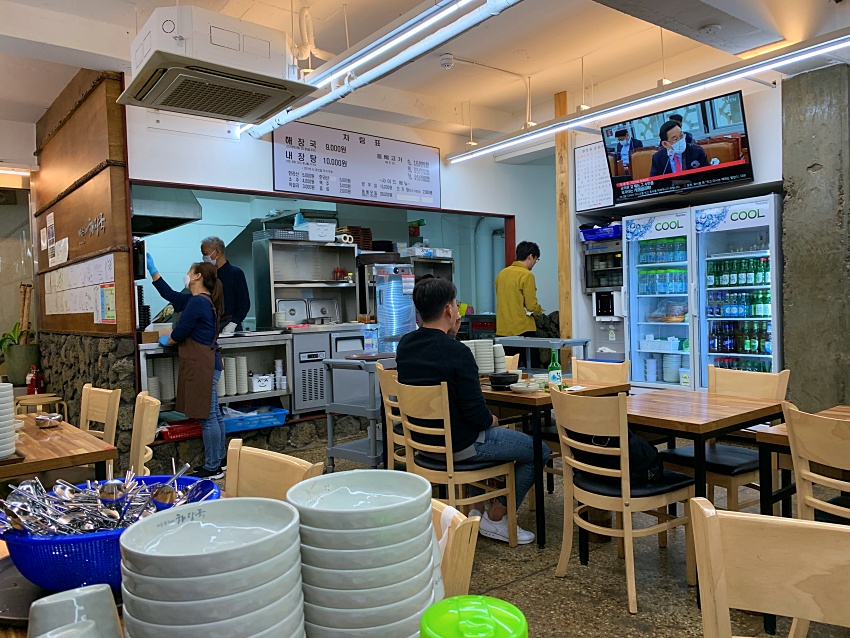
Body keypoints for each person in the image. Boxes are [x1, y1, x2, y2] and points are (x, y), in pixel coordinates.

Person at [396, 277, 550, 545]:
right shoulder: (457, 352)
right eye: (455, 304)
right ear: (449, 309)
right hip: (461, 447)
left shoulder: (405, 345)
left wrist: (451, 335)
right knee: (540, 450)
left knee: (496, 437)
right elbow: (477, 416)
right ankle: (497, 517)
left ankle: (476, 508)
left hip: (423, 444)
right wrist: (491, 419)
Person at [147, 254, 226, 479]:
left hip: (203, 365)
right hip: (209, 364)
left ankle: (213, 466)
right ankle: (220, 460)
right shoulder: (198, 300)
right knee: (214, 415)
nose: (187, 275)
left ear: (198, 276)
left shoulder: (198, 302)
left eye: (190, 272)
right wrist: (154, 271)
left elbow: (181, 332)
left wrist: (168, 340)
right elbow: (170, 295)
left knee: (207, 416)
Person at [495, 241, 544, 368]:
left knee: (507, 369)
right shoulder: (527, 275)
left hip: (503, 330)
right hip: (523, 330)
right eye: (536, 260)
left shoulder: (501, 274)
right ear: (530, 256)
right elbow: (531, 306)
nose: (534, 263)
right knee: (532, 369)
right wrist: (539, 311)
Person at [200, 237, 250, 333]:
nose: (204, 258)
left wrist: (233, 323)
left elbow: (244, 303)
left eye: (205, 254)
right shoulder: (208, 275)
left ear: (217, 252)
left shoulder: (235, 273)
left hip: (229, 323)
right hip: (211, 324)